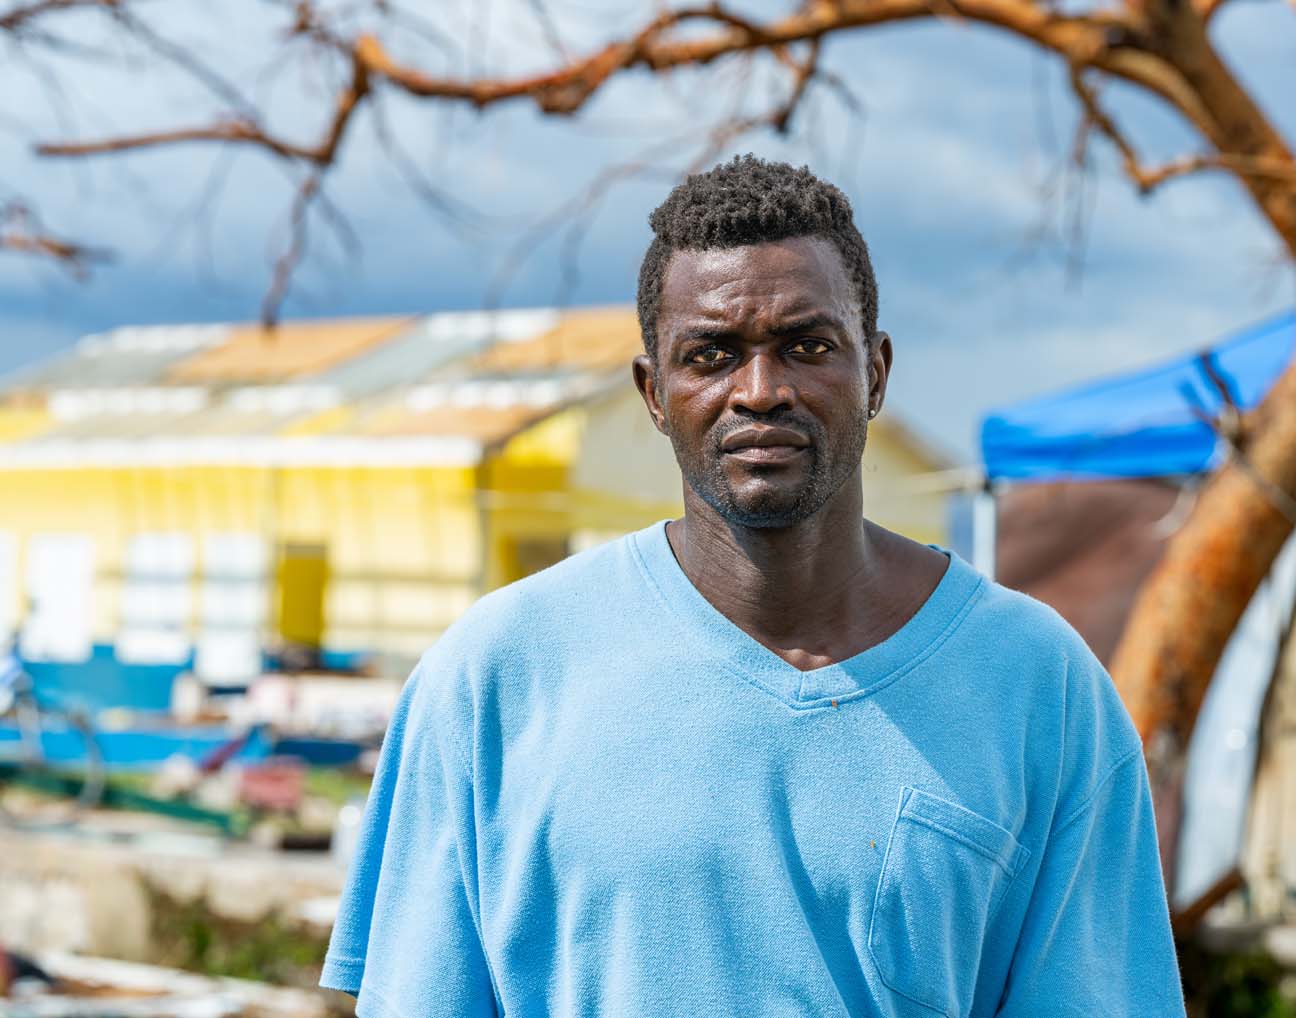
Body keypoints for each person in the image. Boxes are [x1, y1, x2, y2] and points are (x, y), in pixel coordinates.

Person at [320, 155, 1186, 1017]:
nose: (761, 391)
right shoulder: (496, 673)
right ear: (654, 392)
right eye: (712, 354)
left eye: (808, 347)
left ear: (875, 373)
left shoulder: (1037, 685)